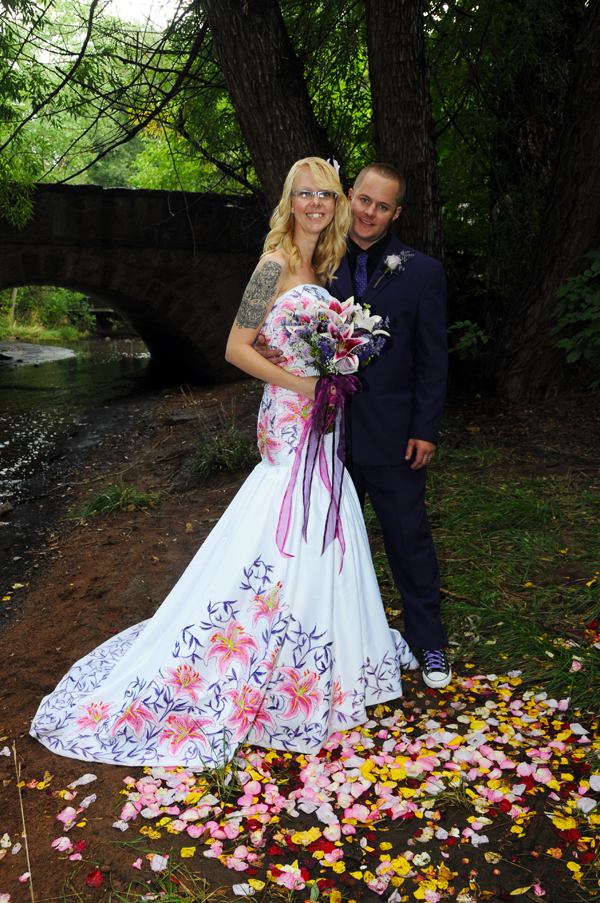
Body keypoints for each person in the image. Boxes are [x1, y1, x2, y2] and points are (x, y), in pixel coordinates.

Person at [30, 158, 417, 769]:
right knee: (283, 526)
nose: (315, 202)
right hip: (292, 420)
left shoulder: (321, 266)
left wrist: (334, 370)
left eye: (324, 192)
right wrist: (303, 383)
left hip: (321, 419)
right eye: (303, 192)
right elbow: (236, 347)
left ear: (336, 202)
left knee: (325, 520)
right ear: (288, 200)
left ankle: (322, 659)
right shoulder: (272, 266)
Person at [258, 163, 451, 690]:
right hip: (324, 437)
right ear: (350, 197)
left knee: (408, 539)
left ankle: (429, 644)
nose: (369, 212)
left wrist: (425, 429)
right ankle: (332, 643)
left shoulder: (422, 272)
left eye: (382, 205)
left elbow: (433, 361)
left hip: (393, 436)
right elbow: (265, 331)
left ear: (396, 213)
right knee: (327, 546)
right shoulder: (320, 260)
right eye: (363, 200)